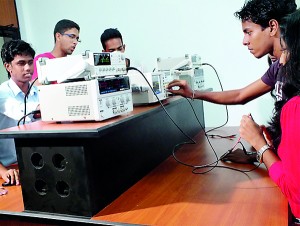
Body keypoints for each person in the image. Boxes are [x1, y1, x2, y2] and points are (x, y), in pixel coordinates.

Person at [167, 0, 297, 163]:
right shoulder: (278, 66)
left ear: (272, 27)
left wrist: (260, 146)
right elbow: (240, 95)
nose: (244, 41)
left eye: (248, 32)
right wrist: (193, 93)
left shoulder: (294, 67)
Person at [239, 9, 300, 223]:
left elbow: (297, 197)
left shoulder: (295, 108)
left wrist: (259, 145)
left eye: (287, 48)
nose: (281, 59)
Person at [0, 40, 39, 194]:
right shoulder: (2, 94)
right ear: (8, 66)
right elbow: (23, 113)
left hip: (36, 163)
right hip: (10, 170)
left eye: (30, 62)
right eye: (21, 63)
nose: (28, 68)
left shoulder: (38, 93)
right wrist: (3, 171)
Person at [31, 19, 80, 83]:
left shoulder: (72, 64)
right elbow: (35, 88)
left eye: (77, 39)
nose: (75, 42)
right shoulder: (42, 61)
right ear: (58, 36)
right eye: (72, 36)